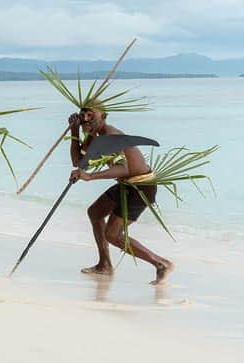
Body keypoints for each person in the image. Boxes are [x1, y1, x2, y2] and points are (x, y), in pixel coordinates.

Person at [67, 106, 174, 285]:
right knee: (95, 212)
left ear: (103, 116)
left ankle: (161, 264)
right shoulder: (95, 135)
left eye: (90, 115)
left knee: (113, 234)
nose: (85, 118)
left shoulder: (110, 136)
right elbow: (78, 161)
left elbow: (122, 168)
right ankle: (105, 265)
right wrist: (74, 131)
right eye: (82, 115)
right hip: (126, 184)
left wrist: (90, 176)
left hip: (141, 187)